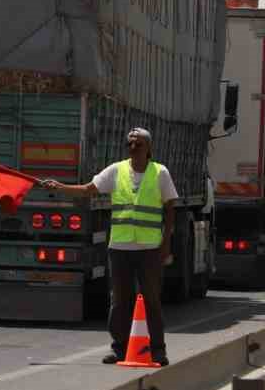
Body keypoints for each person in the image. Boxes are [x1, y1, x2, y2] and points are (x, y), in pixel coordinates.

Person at [42, 127, 177, 367]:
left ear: (149, 149)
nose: (133, 148)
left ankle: (158, 351)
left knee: (152, 300)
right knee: (119, 301)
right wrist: (60, 187)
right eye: (130, 144)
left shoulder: (160, 173)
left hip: (149, 248)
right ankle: (119, 349)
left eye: (139, 144)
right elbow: (87, 190)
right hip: (121, 247)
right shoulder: (117, 170)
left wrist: (166, 243)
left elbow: (170, 208)